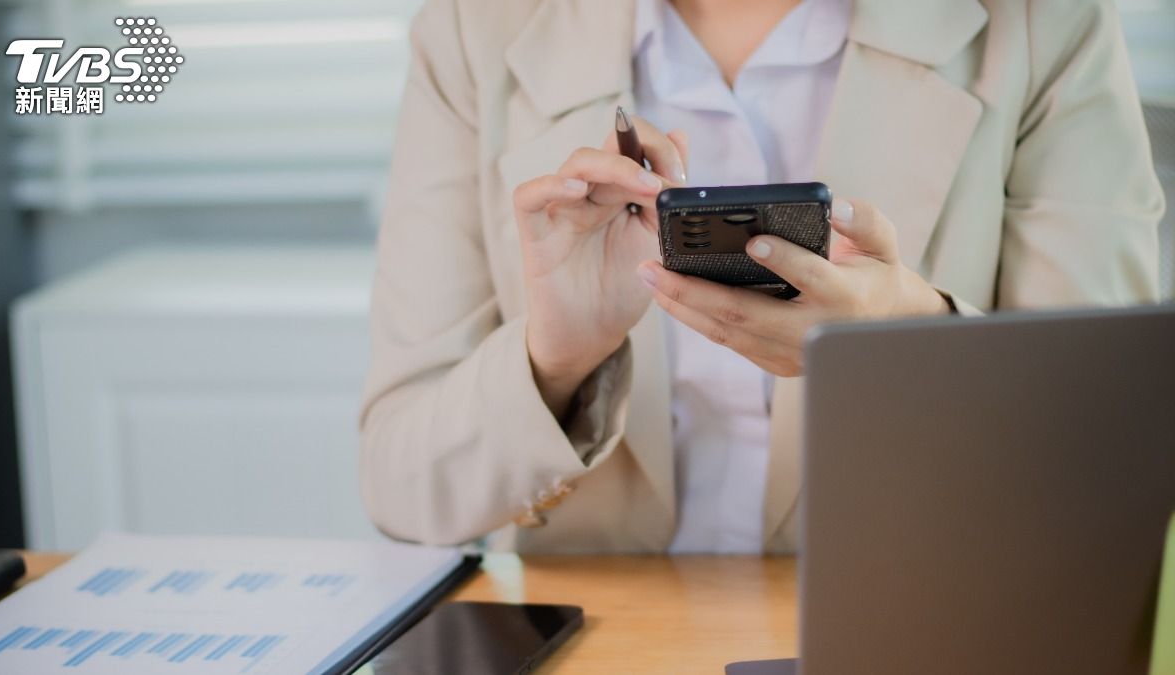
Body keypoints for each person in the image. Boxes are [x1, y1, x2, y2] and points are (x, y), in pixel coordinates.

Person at [358, 0, 1164, 554]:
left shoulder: (1044, 23)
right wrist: (555, 361)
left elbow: (1111, 466)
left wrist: (915, 339)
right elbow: (400, 481)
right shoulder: (474, 30)